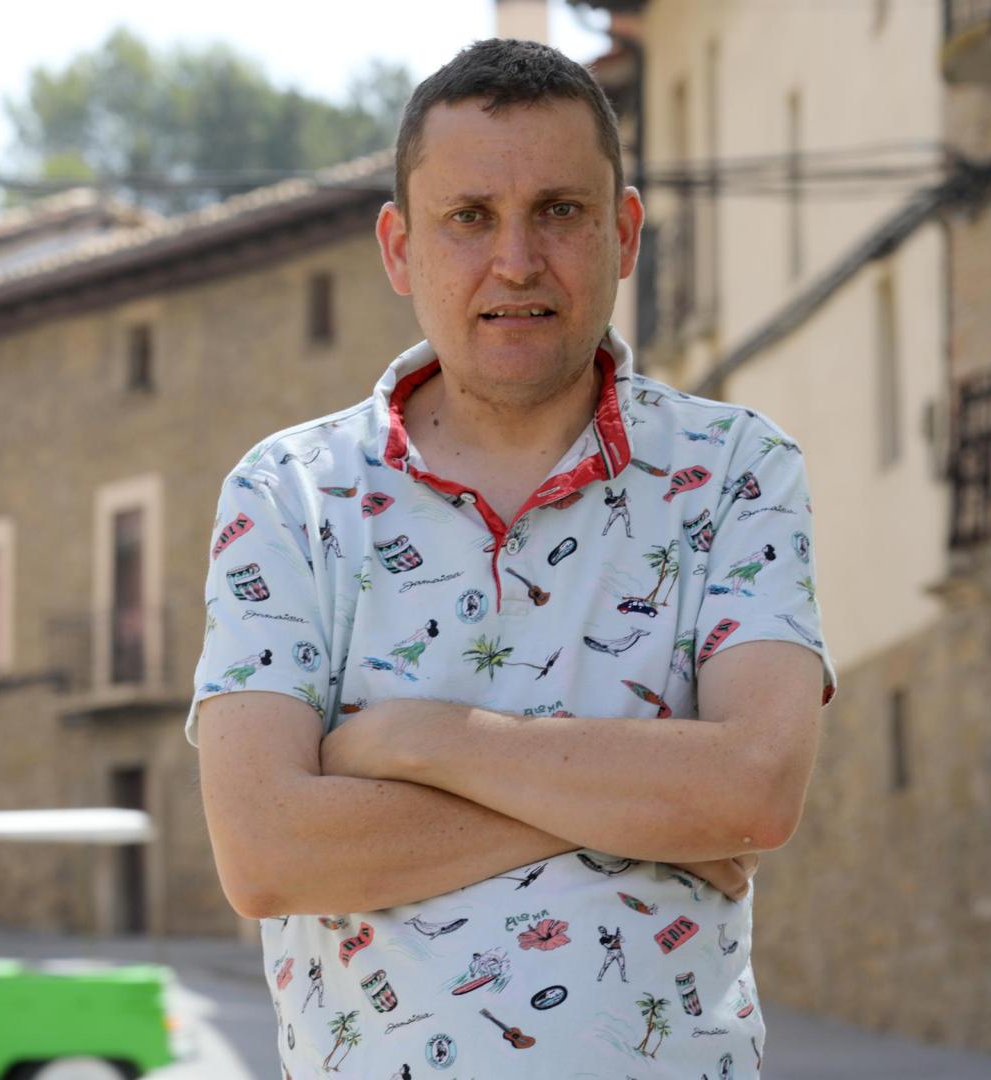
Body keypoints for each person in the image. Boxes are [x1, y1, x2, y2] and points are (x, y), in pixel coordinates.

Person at [190, 39, 835, 1076]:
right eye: (470, 217)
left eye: (560, 211)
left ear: (624, 233)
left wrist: (415, 738)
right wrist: (644, 810)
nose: (518, 260)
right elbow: (266, 856)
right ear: (399, 248)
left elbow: (754, 794)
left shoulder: (733, 471)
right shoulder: (288, 494)